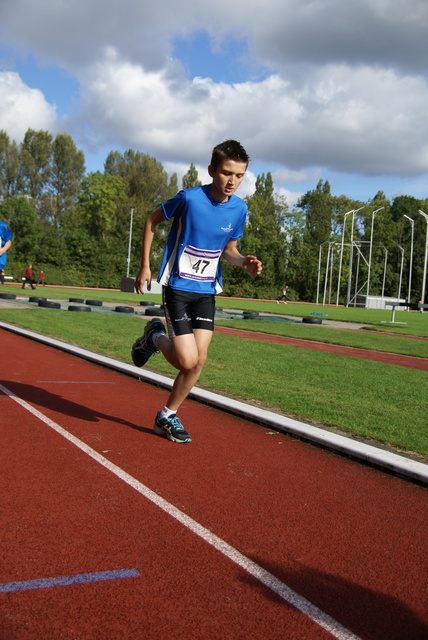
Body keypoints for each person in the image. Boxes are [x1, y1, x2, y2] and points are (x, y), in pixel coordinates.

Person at [132, 140, 262, 444]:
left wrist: (243, 261)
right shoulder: (189, 199)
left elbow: (229, 250)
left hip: (206, 291)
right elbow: (151, 221)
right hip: (178, 287)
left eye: (240, 175)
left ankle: (167, 414)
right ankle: (153, 336)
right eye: (227, 173)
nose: (232, 181)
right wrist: (145, 267)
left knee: (199, 360)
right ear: (212, 170)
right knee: (187, 361)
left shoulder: (240, 208)